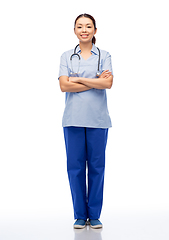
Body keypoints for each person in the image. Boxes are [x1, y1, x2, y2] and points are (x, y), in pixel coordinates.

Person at [58, 13, 113, 229]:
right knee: (75, 168)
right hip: (73, 118)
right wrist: (95, 81)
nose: (84, 30)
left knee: (97, 167)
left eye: (88, 26)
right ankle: (80, 215)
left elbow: (108, 84)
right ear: (74, 31)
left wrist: (78, 78)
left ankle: (95, 215)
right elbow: (64, 86)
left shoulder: (105, 55)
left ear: (95, 31)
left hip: (98, 120)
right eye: (80, 26)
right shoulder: (66, 56)